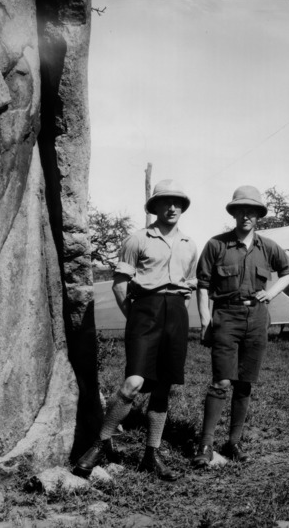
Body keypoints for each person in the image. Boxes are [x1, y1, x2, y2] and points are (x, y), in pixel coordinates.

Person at [74, 179, 198, 481]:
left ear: (183, 208)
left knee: (163, 386)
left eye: (177, 203)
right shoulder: (137, 239)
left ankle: (150, 455)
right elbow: (119, 284)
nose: (172, 207)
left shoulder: (190, 244)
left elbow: (190, 284)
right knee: (132, 383)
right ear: (154, 206)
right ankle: (100, 444)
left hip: (177, 314)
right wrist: (137, 318)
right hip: (145, 310)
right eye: (165, 202)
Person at [192, 185, 289, 467]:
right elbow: (202, 286)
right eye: (241, 210)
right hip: (225, 316)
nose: (246, 216)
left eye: (251, 211)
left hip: (257, 318)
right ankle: (205, 443)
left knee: (245, 383)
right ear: (234, 213)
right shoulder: (216, 245)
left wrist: (271, 294)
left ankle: (234, 442)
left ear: (258, 215)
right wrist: (205, 321)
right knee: (222, 381)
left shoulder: (268, 246)